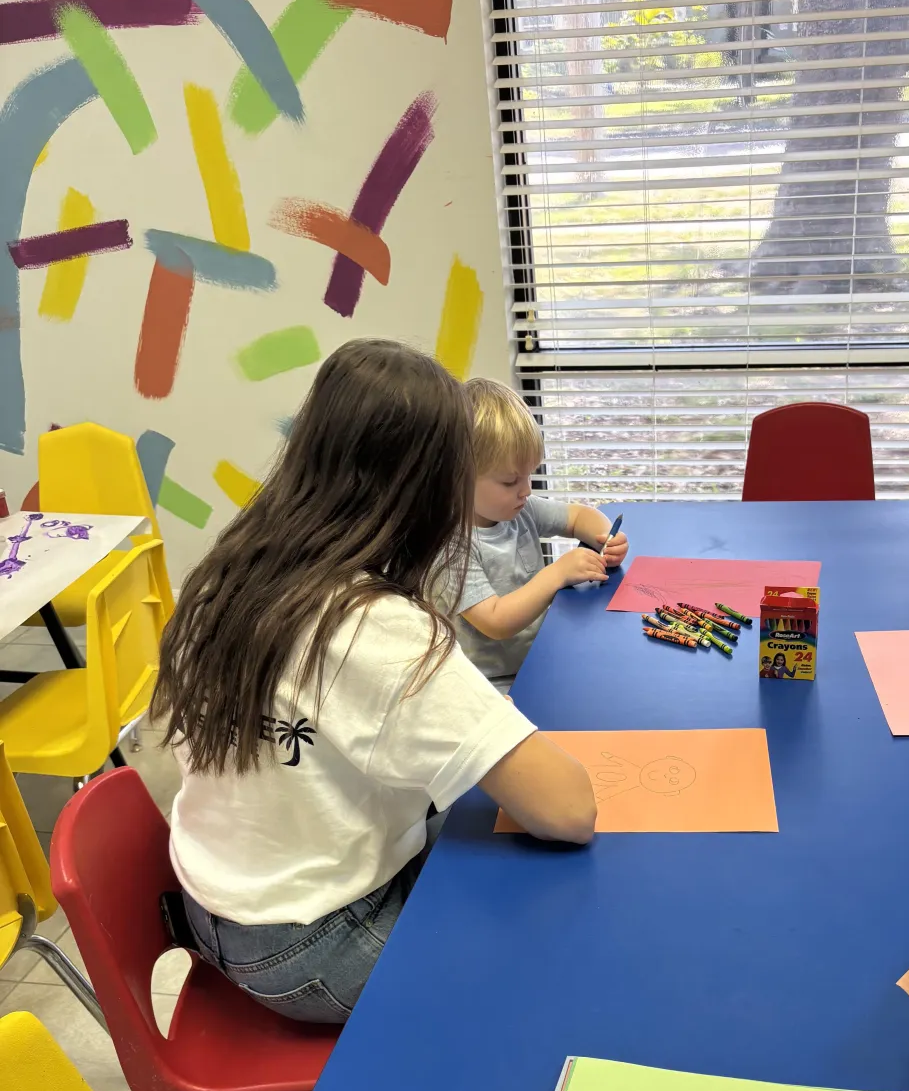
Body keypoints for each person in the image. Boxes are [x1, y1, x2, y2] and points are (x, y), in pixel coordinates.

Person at [151, 340, 596, 1025]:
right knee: (554, 957)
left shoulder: (230, 568)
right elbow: (569, 809)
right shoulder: (371, 626)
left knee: (485, 822)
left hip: (218, 899)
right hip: (309, 940)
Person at [449, 378, 630, 692]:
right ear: (458, 477)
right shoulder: (450, 546)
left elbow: (578, 516)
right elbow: (495, 622)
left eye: (529, 475)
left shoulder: (521, 508)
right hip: (490, 685)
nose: (526, 490)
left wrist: (605, 538)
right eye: (510, 481)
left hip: (540, 658)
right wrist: (557, 574)